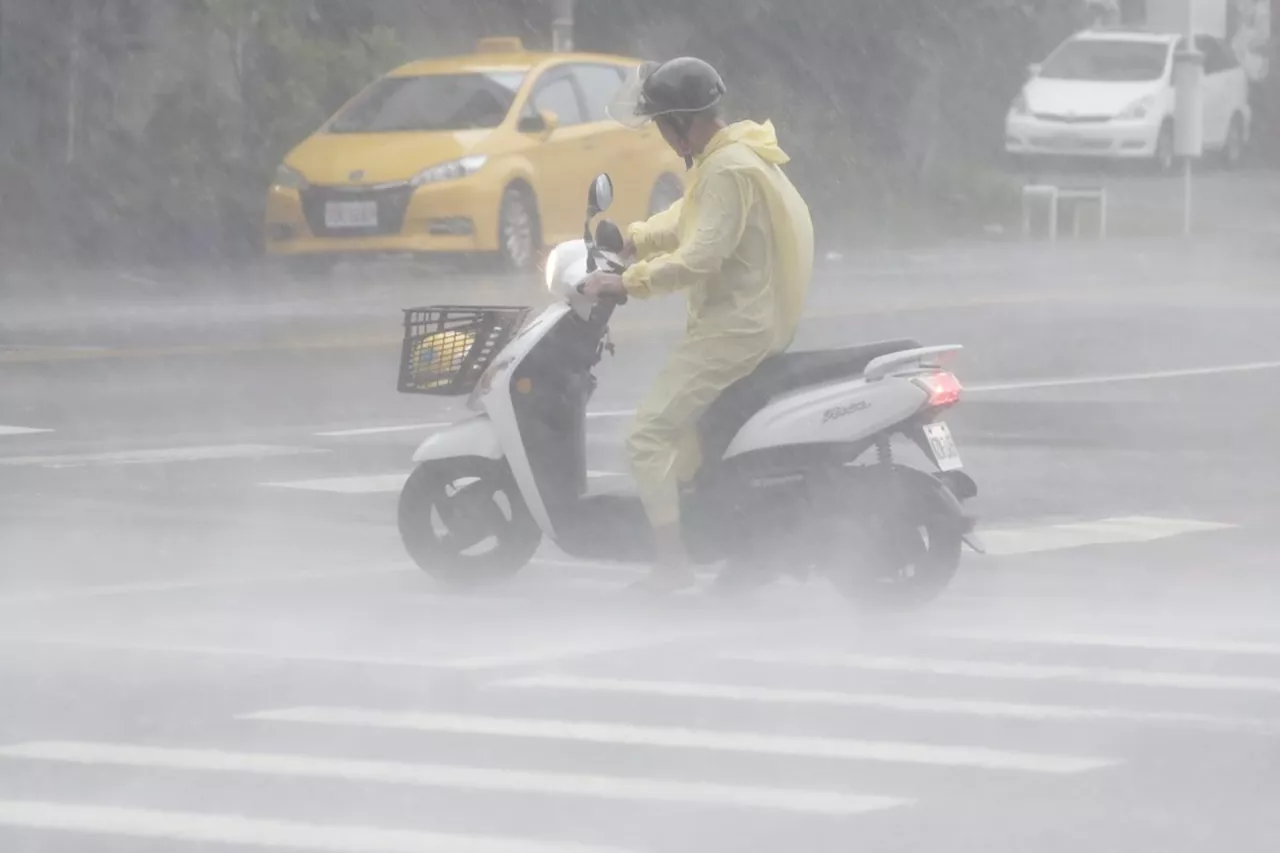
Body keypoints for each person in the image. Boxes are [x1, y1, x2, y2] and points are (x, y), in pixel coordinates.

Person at [581, 57, 815, 593]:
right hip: (748, 322)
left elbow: (701, 255)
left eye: (662, 125)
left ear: (680, 123)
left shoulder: (728, 169)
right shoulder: (731, 156)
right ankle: (734, 541)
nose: (663, 136)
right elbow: (691, 217)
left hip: (735, 329)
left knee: (646, 436)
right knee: (689, 444)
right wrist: (634, 237)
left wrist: (628, 282)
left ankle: (672, 566)